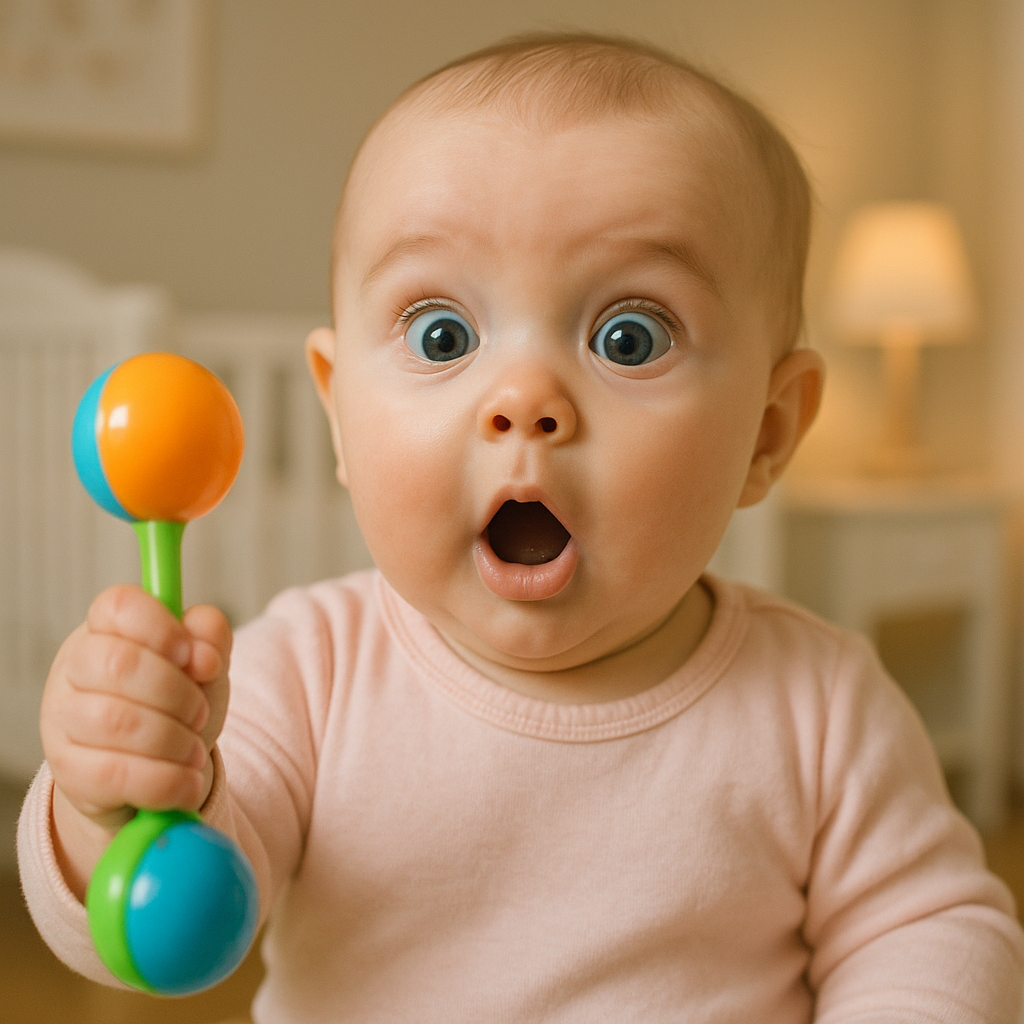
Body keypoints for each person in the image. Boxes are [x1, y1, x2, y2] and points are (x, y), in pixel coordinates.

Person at [18, 33, 1024, 1023]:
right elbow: (162, 924)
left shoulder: (822, 706)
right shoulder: (309, 675)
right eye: (442, 335)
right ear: (340, 416)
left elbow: (931, 929)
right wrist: (112, 802)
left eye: (628, 337)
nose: (524, 400)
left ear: (766, 432)